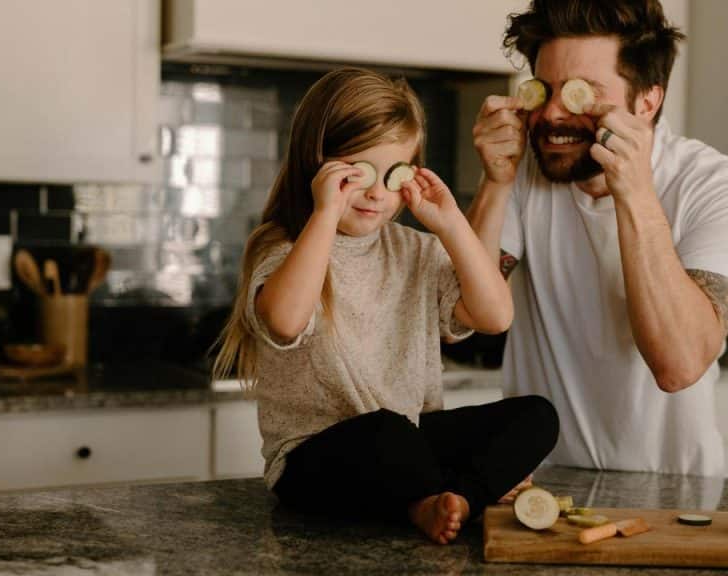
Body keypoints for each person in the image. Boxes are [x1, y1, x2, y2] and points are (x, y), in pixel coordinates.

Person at [214, 67, 559, 544]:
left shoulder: (415, 249)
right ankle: (451, 493)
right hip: (317, 461)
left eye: (392, 174)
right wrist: (324, 214)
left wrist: (451, 223)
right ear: (319, 167)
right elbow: (287, 320)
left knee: (536, 416)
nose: (377, 193)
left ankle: (451, 500)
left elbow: (495, 316)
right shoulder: (282, 249)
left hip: (407, 445)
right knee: (386, 434)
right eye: (359, 173)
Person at [468, 0, 728, 477]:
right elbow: (461, 319)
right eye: (543, 89)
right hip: (535, 482)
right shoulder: (523, 175)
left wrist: (635, 193)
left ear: (647, 102)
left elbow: (679, 364)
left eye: (581, 94)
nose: (551, 113)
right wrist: (495, 182)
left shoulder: (720, 186)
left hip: (674, 489)